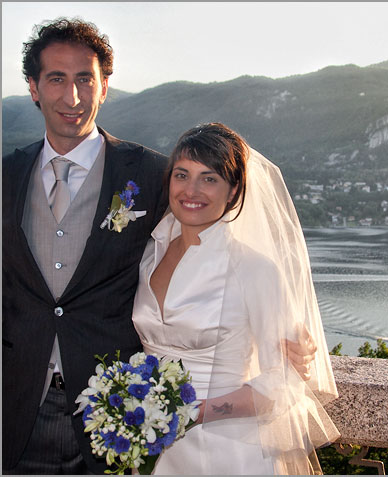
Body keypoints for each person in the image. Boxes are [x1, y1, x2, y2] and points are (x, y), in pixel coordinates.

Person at [2, 18, 316, 475]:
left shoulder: (152, 174)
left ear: (104, 86)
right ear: (33, 87)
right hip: (18, 407)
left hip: (116, 417)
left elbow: (207, 232)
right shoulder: (5, 175)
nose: (72, 97)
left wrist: (292, 338)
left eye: (85, 79)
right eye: (56, 79)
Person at [131, 123, 339, 474]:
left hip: (228, 450)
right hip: (151, 445)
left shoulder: (254, 268)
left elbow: (284, 380)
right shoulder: (150, 250)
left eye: (209, 178)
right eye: (182, 174)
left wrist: (195, 412)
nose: (191, 190)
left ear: (234, 191)